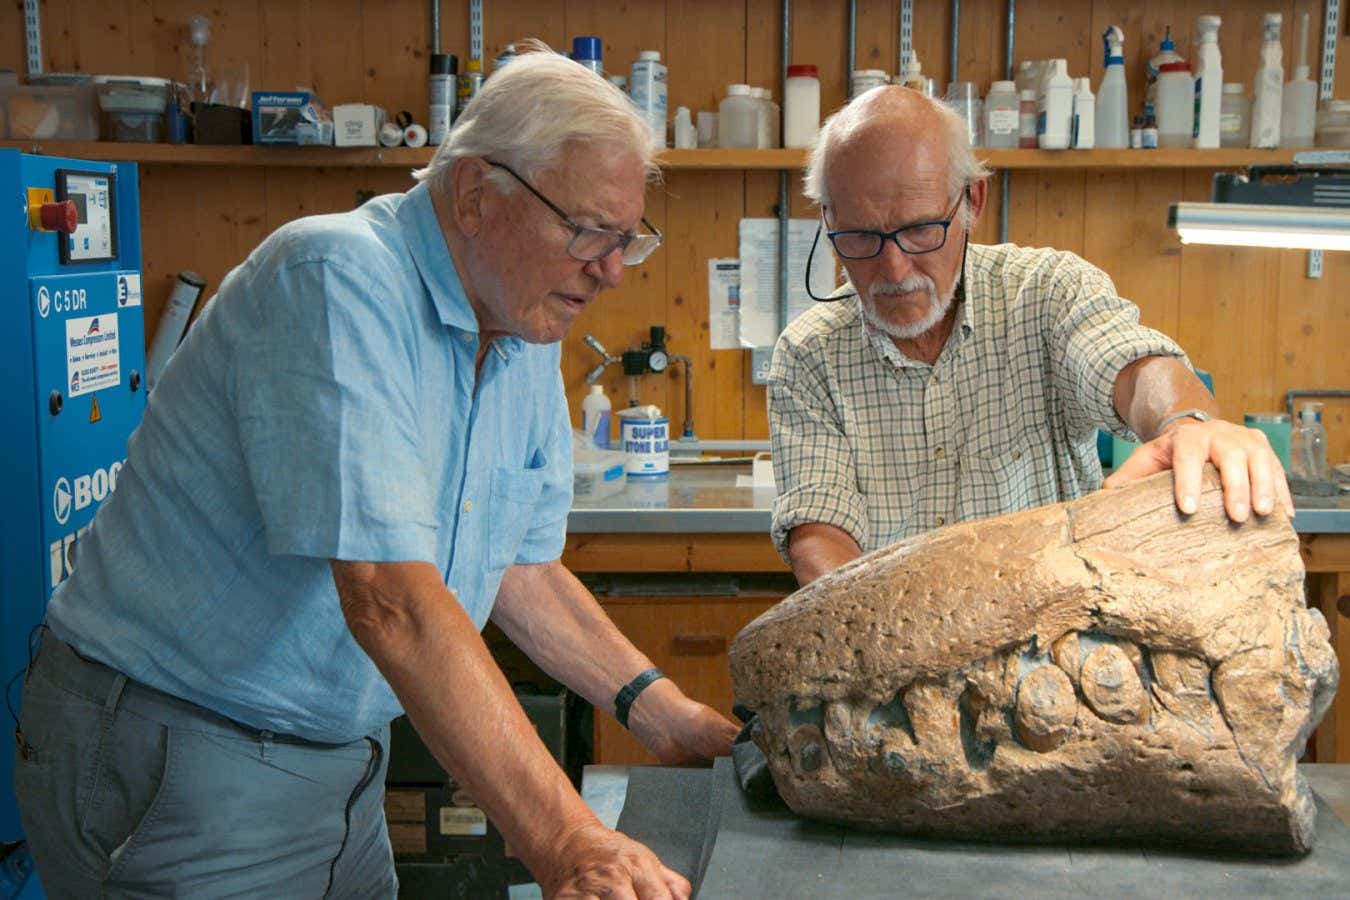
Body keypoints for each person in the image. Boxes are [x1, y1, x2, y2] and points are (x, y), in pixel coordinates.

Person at [14, 46, 736, 899]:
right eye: (587, 233)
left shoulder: (520, 319)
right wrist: (570, 841)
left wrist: (665, 714)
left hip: (340, 766)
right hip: (179, 751)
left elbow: (518, 567)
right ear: (474, 194)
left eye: (627, 240)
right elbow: (388, 597)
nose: (611, 271)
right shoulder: (336, 279)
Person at [769, 86, 1291, 587]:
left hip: (1060, 646)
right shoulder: (808, 353)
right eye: (860, 235)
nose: (895, 267)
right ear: (828, 218)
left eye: (919, 230)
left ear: (972, 201)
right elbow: (819, 528)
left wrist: (1184, 422)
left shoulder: (1047, 294)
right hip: (890, 647)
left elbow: (1132, 368)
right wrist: (878, 629)